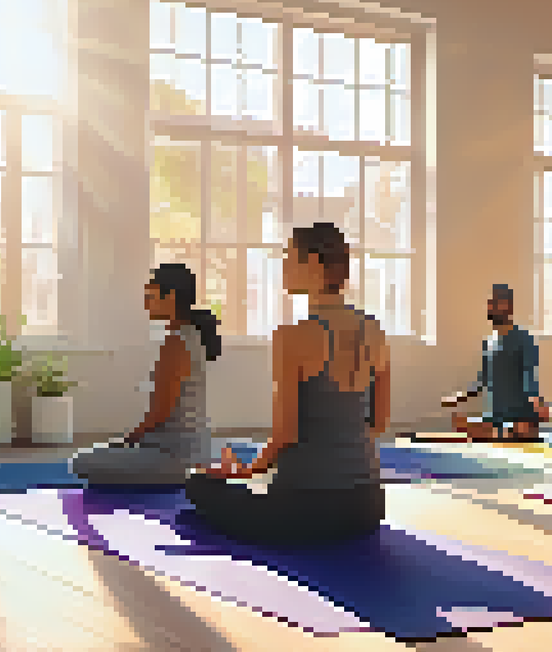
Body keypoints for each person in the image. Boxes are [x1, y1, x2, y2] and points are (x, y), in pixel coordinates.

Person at [186, 222, 390, 546]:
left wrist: (244, 470)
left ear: (311, 263)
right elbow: (378, 424)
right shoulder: (375, 330)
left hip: (306, 509)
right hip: (367, 506)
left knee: (197, 482)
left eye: (288, 256)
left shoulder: (291, 336)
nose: (282, 265)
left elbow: (286, 433)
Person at [69, 263, 218, 485]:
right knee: (103, 454)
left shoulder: (177, 342)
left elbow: (160, 413)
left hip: (177, 456)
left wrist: (128, 441)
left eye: (151, 295)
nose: (146, 302)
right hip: (188, 448)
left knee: (80, 462)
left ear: (171, 297)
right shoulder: (189, 335)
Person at [441, 284, 547, 441]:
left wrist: (536, 401)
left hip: (520, 418)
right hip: (496, 418)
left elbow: (529, 375)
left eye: (497, 303)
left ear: (508, 307)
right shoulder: (488, 343)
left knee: (520, 434)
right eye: (490, 303)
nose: (491, 307)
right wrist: (459, 397)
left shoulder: (524, 338)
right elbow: (482, 381)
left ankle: (516, 434)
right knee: (460, 424)